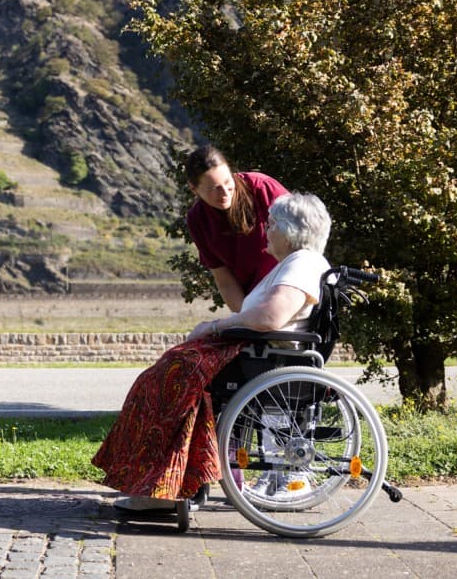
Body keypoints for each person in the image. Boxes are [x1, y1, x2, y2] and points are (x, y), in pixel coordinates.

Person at [92, 192, 332, 512]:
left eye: (271, 224)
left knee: (173, 379)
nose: (266, 231)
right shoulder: (296, 263)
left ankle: (165, 489)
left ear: (290, 231)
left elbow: (268, 318)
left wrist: (215, 326)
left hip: (259, 359)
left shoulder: (301, 264)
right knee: (167, 373)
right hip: (254, 354)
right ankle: (165, 485)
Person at [183, 146, 289, 311]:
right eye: (214, 188)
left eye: (227, 182)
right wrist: (245, 318)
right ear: (193, 188)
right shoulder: (197, 220)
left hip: (290, 291)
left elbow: (304, 244)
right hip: (253, 302)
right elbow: (225, 281)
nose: (225, 193)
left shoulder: (262, 188)